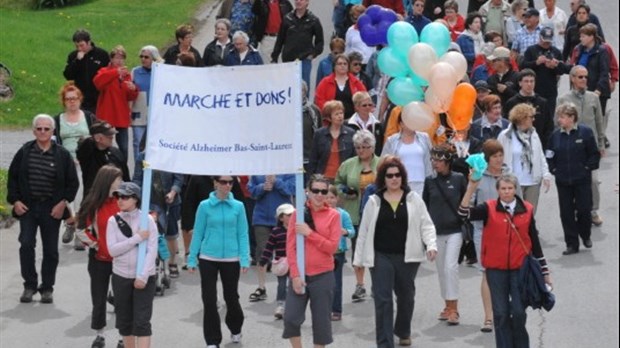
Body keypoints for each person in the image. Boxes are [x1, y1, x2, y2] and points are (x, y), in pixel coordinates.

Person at [459, 174, 551, 348]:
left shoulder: (527, 209)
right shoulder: (489, 208)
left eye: (510, 188)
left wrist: (544, 272)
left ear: (515, 189)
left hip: (519, 269)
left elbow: (535, 243)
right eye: (503, 189)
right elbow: (463, 213)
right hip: (495, 270)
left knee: (518, 313)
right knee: (500, 314)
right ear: (497, 190)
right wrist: (471, 187)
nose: (507, 192)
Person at [354, 157, 437, 347]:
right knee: (383, 299)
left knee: (406, 296)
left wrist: (431, 245)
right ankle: (385, 343)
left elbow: (427, 225)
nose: (394, 179)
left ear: (403, 177)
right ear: (383, 178)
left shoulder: (414, 199)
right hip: (380, 255)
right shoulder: (374, 201)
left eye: (397, 175)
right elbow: (364, 232)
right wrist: (358, 259)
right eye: (389, 175)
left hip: (408, 256)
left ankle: (402, 330)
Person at [7, 114, 79, 303]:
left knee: (51, 251)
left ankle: (47, 287)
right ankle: (29, 285)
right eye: (39, 128)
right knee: (26, 244)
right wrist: (15, 201)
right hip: (28, 208)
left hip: (51, 208)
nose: (42, 132)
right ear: (33, 130)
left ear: (53, 131)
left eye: (46, 129)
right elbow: (12, 178)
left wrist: (62, 202)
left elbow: (73, 183)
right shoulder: (24, 151)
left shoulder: (62, 155)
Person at [187, 176, 249, 348]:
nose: (227, 185)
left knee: (231, 298)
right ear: (215, 183)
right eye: (223, 181)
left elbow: (243, 233)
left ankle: (235, 327)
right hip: (208, 257)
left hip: (231, 258)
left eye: (230, 182)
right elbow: (198, 233)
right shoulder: (204, 206)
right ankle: (212, 340)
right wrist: (192, 258)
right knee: (209, 299)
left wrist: (244, 258)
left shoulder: (239, 206)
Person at [283, 175, 341, 348]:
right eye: (315, 190)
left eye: (323, 191)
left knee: (321, 323)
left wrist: (310, 234)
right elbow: (290, 247)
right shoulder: (298, 215)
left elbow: (332, 248)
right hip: (300, 274)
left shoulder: (334, 216)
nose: (319, 195)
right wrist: (294, 275)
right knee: (291, 318)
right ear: (307, 191)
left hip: (323, 275)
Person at [470, 139, 522, 333]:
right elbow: (471, 203)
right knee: (486, 272)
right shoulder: (479, 177)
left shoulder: (510, 176)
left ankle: (505, 311)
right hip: (483, 231)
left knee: (508, 272)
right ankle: (489, 317)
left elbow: (522, 203)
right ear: (487, 158)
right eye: (495, 156)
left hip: (509, 232)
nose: (499, 159)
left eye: (501, 155)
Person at [75, 165, 123, 348]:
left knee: (122, 300)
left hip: (121, 259)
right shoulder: (93, 203)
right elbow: (80, 229)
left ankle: (122, 337)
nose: (120, 182)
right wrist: (96, 245)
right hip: (99, 260)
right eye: (117, 179)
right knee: (99, 298)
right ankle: (100, 335)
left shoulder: (124, 201)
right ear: (107, 182)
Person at [106, 182, 158, 348]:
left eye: (125, 197)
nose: (120, 200)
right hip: (121, 276)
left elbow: (152, 250)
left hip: (144, 277)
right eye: (118, 196)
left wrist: (142, 276)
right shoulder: (113, 221)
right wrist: (136, 238)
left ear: (135, 199)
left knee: (142, 322)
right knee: (124, 322)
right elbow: (113, 250)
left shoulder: (147, 219)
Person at [547, 103, 600, 255]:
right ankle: (571, 243)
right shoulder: (555, 136)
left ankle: (585, 234)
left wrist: (587, 168)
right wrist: (554, 169)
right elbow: (549, 154)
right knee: (566, 213)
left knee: (584, 210)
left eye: (562, 117)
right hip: (563, 181)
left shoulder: (585, 132)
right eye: (559, 117)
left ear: (572, 117)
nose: (559, 120)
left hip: (581, 179)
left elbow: (593, 154)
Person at [422, 144, 467, 326]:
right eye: (433, 159)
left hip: (455, 230)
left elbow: (466, 202)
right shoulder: (429, 181)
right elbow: (424, 207)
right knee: (441, 271)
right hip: (435, 232)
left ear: (448, 161)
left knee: (450, 267)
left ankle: (454, 308)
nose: (435, 163)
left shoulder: (459, 179)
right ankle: (447, 305)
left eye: (439, 160)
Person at [334, 129, 380, 303]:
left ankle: (377, 284)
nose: (361, 150)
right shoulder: (348, 164)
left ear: (373, 147)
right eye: (358, 147)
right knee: (357, 250)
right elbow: (337, 183)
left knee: (376, 250)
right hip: (354, 212)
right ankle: (360, 285)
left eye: (365, 147)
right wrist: (345, 192)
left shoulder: (382, 163)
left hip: (376, 214)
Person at [557, 65, 605, 226]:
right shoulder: (563, 99)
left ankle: (593, 210)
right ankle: (578, 210)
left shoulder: (593, 98)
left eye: (585, 77)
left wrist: (601, 144)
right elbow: (558, 124)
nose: (584, 80)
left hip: (590, 148)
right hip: (571, 147)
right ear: (572, 78)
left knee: (593, 180)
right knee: (575, 180)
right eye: (580, 77)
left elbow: (599, 121)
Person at [53, 82, 97, 247]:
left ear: (80, 100)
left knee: (81, 197)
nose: (72, 102)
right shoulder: (57, 120)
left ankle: (80, 230)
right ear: (64, 101)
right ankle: (70, 224)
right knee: (67, 198)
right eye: (68, 99)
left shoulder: (88, 117)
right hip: (65, 163)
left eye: (75, 98)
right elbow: (54, 142)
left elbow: (96, 139)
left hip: (85, 163)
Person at [133, 146, 184, 278]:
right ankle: (150, 263)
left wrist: (172, 193)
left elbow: (179, 179)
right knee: (150, 234)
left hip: (170, 202)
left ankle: (172, 262)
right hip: (149, 202)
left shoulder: (172, 155)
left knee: (171, 234)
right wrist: (136, 196)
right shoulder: (142, 156)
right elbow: (137, 178)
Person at [247, 174, 295, 302]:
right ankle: (261, 287)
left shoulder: (288, 169)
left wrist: (277, 182)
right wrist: (262, 187)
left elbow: (292, 190)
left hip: (283, 219)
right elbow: (251, 192)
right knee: (262, 251)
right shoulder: (258, 170)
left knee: (284, 253)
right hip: (261, 218)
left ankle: (287, 286)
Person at [498, 103, 552, 212]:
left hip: (533, 182)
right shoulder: (505, 136)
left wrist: (546, 174)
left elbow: (540, 155)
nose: (534, 119)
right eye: (531, 117)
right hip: (513, 182)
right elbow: (499, 158)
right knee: (514, 213)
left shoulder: (534, 134)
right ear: (522, 118)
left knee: (530, 215)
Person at [93, 45, 139, 163]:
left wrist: (133, 89)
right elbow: (97, 83)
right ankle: (105, 170)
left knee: (124, 148)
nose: (119, 61)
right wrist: (115, 72)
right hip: (106, 115)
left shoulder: (127, 75)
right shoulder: (104, 72)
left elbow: (130, 97)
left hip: (121, 115)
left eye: (122, 58)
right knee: (105, 146)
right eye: (117, 58)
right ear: (111, 59)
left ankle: (123, 171)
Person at [271, 0, 324, 89]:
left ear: (307, 2)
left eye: (301, 0)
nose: (298, 2)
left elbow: (320, 42)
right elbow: (280, 40)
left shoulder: (313, 20)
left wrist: (313, 54)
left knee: (303, 87)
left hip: (304, 60)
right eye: (296, 0)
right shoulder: (287, 19)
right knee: (288, 87)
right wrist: (274, 57)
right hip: (288, 60)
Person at [521, 26, 572, 115]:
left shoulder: (556, 52)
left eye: (548, 41)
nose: (546, 43)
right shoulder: (531, 50)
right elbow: (523, 66)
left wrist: (554, 66)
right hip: (534, 88)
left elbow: (563, 70)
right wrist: (536, 62)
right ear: (540, 37)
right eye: (544, 41)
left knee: (549, 114)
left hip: (550, 89)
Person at [381, 113, 433, 195]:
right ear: (401, 124)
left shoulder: (425, 137)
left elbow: (432, 159)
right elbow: (383, 162)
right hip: (401, 184)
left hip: (423, 183)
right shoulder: (391, 140)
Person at [76, 121, 130, 199]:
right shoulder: (88, 153)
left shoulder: (115, 152)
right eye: (108, 135)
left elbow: (125, 175)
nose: (112, 137)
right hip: (94, 198)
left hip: (115, 197)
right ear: (97, 138)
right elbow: (84, 145)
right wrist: (94, 138)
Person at [325, 185, 355, 321]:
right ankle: (324, 309)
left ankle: (336, 310)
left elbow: (352, 231)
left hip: (338, 252)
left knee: (336, 283)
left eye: (332, 197)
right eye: (327, 197)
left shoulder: (342, 214)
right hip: (323, 252)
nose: (329, 200)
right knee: (323, 283)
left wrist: (346, 232)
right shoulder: (320, 213)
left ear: (337, 198)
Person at [259, 203, 294, 319]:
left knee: (293, 284)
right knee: (282, 284)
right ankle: (281, 305)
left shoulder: (297, 229)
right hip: (281, 263)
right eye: (288, 215)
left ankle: (292, 306)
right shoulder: (276, 231)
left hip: (295, 262)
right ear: (281, 218)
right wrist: (263, 260)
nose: (291, 216)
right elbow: (269, 247)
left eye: (293, 214)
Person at [504, 69, 555, 148]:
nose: (529, 84)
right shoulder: (511, 103)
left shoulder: (542, 103)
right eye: (526, 81)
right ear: (520, 83)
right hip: (516, 145)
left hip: (539, 144)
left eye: (532, 81)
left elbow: (549, 126)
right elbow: (507, 125)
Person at [63, 29, 110, 114]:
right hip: (81, 98)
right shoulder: (73, 56)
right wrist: (77, 61)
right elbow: (68, 75)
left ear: (89, 42)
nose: (79, 49)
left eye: (82, 45)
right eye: (77, 46)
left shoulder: (102, 54)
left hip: (98, 98)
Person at [308, 100, 356, 180]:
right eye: (336, 114)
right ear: (329, 117)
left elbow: (354, 158)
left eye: (341, 113)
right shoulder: (319, 134)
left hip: (343, 179)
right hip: (322, 178)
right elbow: (313, 159)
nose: (340, 116)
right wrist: (310, 180)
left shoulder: (351, 133)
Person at [569, 23, 611, 115]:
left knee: (596, 118)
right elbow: (574, 67)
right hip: (582, 90)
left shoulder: (602, 51)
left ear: (591, 37)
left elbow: (604, 73)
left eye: (583, 36)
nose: (580, 39)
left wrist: (598, 90)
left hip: (597, 91)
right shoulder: (579, 49)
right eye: (580, 36)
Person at [131, 45, 163, 161]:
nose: (143, 59)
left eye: (146, 57)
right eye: (141, 56)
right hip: (139, 109)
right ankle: (138, 169)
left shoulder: (160, 71)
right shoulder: (135, 71)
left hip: (155, 111)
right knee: (138, 141)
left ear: (154, 58)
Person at [315, 54, 367, 120]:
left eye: (345, 64)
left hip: (352, 120)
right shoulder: (325, 82)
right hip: (331, 120)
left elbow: (364, 99)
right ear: (334, 66)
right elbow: (319, 100)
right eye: (339, 64)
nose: (342, 66)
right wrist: (328, 114)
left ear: (348, 66)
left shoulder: (356, 82)